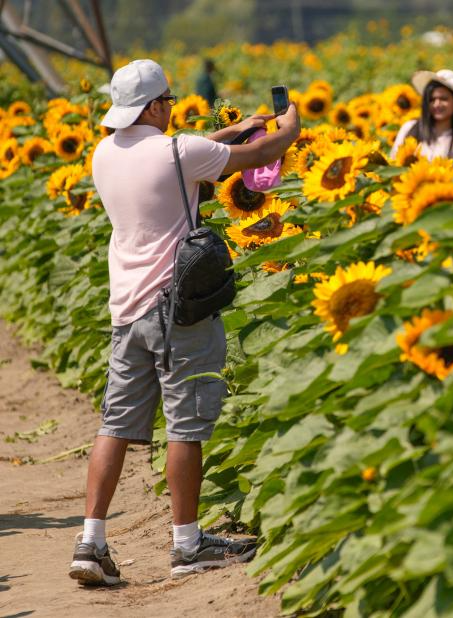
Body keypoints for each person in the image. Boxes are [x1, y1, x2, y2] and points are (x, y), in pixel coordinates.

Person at [69, 59, 300, 586]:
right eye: (168, 101)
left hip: (125, 308)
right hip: (178, 308)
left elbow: (182, 152)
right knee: (185, 425)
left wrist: (229, 131)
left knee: (116, 423)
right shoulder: (180, 152)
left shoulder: (104, 153)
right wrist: (288, 126)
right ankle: (188, 543)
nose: (172, 109)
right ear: (153, 106)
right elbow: (260, 155)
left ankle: (91, 540)